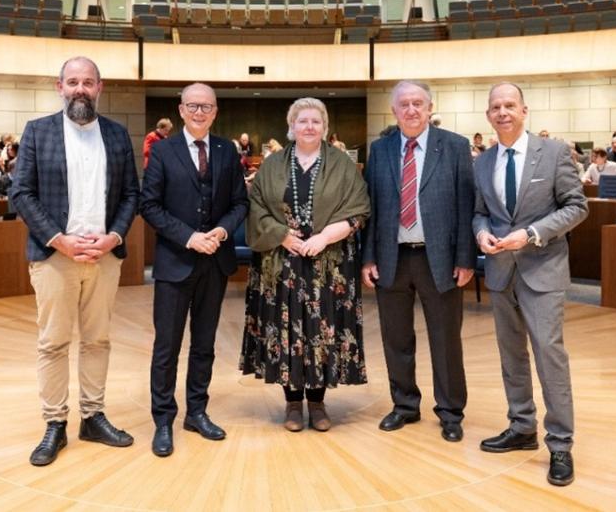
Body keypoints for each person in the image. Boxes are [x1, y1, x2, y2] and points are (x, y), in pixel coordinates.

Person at [9, 56, 140, 467]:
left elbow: (131, 195)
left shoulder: (117, 136)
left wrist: (113, 237)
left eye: (88, 82)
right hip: (55, 257)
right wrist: (60, 240)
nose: (80, 89)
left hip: (104, 257)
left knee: (98, 340)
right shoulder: (38, 132)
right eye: (72, 82)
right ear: (59, 86)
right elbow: (22, 194)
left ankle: (93, 416)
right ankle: (54, 423)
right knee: (53, 343)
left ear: (100, 88)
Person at [473, 82, 588, 487]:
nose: (502, 112)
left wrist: (534, 233)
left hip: (543, 270)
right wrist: (481, 234)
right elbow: (480, 213)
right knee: (511, 358)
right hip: (501, 271)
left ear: (525, 110)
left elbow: (577, 206)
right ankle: (522, 427)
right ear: (488, 115)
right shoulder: (482, 162)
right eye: (495, 107)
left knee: (548, 357)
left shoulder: (553, 153)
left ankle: (560, 444)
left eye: (509, 105)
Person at [241, 98, 370, 432]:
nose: (309, 127)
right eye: (303, 121)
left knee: (322, 331)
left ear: (324, 127)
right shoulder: (271, 165)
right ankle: (293, 403)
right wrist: (283, 235)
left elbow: (359, 210)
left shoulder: (342, 164)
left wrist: (325, 237)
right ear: (291, 126)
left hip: (329, 266)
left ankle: (318, 401)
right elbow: (256, 208)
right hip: (281, 264)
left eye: (316, 121)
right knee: (285, 333)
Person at [361, 80, 475, 443]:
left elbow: (466, 206)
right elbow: (372, 207)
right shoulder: (379, 150)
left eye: (418, 104)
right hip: (392, 258)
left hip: (438, 259)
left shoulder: (455, 147)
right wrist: (368, 257)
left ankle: (450, 411)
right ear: (393, 111)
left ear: (430, 108)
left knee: (445, 339)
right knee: (396, 338)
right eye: (404, 104)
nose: (411, 110)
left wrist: (465, 258)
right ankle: (405, 405)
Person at [139, 82, 248, 458]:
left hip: (215, 263)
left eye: (207, 106)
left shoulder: (226, 151)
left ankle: (196, 412)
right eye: (193, 106)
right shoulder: (163, 151)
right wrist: (188, 237)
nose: (200, 112)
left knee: (204, 345)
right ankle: (163, 420)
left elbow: (239, 203)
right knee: (166, 346)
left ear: (215, 111)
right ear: (181, 110)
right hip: (175, 264)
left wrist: (220, 230)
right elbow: (149, 206)